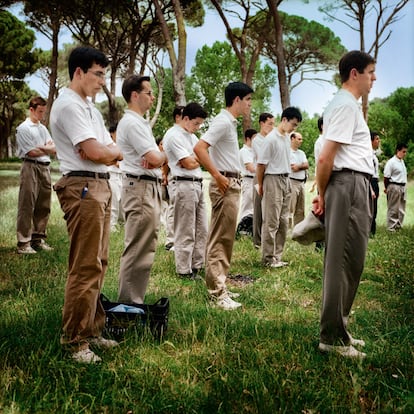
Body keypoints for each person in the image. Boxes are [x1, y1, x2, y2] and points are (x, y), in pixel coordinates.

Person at [50, 46, 123, 364]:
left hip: (99, 184)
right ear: (78, 72)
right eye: (98, 74)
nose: (103, 81)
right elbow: (95, 151)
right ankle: (74, 340)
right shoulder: (68, 106)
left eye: (105, 74)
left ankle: (93, 329)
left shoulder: (90, 109)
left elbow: (106, 148)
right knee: (84, 266)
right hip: (81, 186)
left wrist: (108, 151)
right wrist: (107, 151)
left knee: (100, 261)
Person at [314, 50, 377, 358]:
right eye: (370, 72)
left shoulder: (348, 106)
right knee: (342, 263)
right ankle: (332, 338)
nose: (374, 78)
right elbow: (327, 156)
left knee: (351, 261)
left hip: (355, 184)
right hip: (347, 186)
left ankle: (341, 329)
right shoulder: (345, 106)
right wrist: (320, 193)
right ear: (355, 73)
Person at [194, 81, 254, 310]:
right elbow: (199, 148)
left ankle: (220, 286)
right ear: (237, 100)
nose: (250, 104)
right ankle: (216, 292)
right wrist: (218, 176)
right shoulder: (222, 121)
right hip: (225, 184)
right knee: (220, 238)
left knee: (226, 238)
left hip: (232, 183)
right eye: (247, 99)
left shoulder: (230, 123)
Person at [117, 74, 167, 305]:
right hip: (140, 187)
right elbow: (154, 158)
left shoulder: (140, 122)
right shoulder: (132, 123)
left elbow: (156, 158)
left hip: (147, 186)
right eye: (149, 92)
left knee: (145, 247)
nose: (152, 96)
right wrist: (165, 154)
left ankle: (134, 301)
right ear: (135, 95)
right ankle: (128, 306)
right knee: (138, 248)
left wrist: (158, 156)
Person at [163, 102, 208, 279]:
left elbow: (204, 157)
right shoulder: (173, 135)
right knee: (186, 229)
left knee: (202, 227)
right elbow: (188, 163)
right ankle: (184, 269)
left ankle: (197, 264)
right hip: (183, 183)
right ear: (185, 118)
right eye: (196, 123)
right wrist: (198, 158)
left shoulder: (192, 137)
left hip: (197, 182)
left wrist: (197, 158)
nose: (197, 128)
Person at [256, 107, 302, 268]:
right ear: (284, 120)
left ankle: (277, 256)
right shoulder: (271, 139)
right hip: (272, 180)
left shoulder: (286, 138)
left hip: (286, 179)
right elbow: (261, 165)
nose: (294, 129)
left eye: (296, 126)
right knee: (271, 221)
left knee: (283, 220)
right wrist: (260, 184)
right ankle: (267, 258)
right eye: (293, 125)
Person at [16, 96, 56, 254]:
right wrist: (45, 148)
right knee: (27, 204)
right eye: (40, 112)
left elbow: (54, 149)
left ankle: (38, 239)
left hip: (45, 167)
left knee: (43, 205)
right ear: (31, 109)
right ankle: (23, 243)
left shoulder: (43, 128)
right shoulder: (23, 128)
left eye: (44, 112)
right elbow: (31, 152)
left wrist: (43, 148)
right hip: (30, 167)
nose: (42, 115)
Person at [252, 113, 275, 248]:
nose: (272, 127)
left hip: (271, 176)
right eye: (269, 124)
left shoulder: (271, 139)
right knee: (258, 208)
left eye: (273, 124)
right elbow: (264, 159)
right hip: (260, 175)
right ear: (261, 124)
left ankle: (268, 239)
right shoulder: (257, 140)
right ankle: (257, 241)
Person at [164, 106, 184, 251]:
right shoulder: (171, 134)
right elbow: (165, 159)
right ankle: (171, 239)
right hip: (174, 175)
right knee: (174, 208)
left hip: (182, 174)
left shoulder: (184, 134)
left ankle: (179, 238)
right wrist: (164, 175)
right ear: (177, 117)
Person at [383, 143, 408, 232]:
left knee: (401, 207)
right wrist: (387, 188)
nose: (405, 154)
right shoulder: (391, 162)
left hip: (402, 186)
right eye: (403, 152)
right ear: (398, 151)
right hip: (394, 185)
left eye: (406, 152)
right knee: (393, 207)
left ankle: (398, 225)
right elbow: (386, 177)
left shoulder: (402, 161)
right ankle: (391, 227)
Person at [238, 128, 257, 233]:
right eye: (255, 138)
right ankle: (242, 230)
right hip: (248, 180)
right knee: (247, 206)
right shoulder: (244, 151)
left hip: (255, 180)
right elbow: (250, 167)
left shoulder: (254, 152)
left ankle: (250, 229)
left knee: (254, 207)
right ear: (248, 139)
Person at [289, 131, 309, 228]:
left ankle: (299, 229)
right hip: (292, 182)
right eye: (299, 139)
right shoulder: (288, 152)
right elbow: (293, 168)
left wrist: (299, 166)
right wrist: (301, 166)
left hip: (301, 183)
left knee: (300, 209)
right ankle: (287, 230)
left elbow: (307, 165)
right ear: (292, 139)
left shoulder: (301, 153)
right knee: (290, 207)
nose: (301, 141)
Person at [108, 123, 124, 231]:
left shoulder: (124, 146)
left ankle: (122, 223)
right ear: (112, 134)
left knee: (122, 202)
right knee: (114, 201)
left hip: (122, 175)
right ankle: (112, 225)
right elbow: (111, 161)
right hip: (112, 175)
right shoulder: (109, 146)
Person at [370, 131, 381, 236]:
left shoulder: (373, 154)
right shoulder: (368, 154)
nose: (379, 141)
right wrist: (371, 189)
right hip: (371, 181)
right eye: (377, 139)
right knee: (371, 208)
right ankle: (370, 231)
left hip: (375, 181)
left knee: (375, 208)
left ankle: (372, 230)